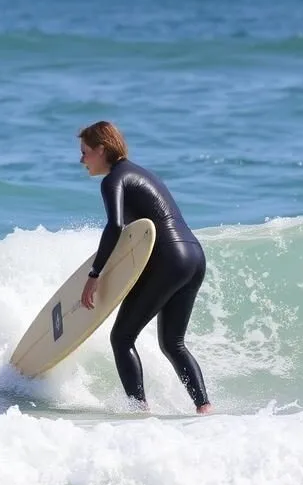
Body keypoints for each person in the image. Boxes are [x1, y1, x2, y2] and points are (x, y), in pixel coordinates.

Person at [77, 120, 212, 415]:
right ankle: (204, 408)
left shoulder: (113, 179)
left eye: (85, 151)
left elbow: (115, 227)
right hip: (193, 257)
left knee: (121, 338)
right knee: (173, 343)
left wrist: (94, 274)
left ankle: (138, 411)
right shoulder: (142, 173)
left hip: (169, 258)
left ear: (101, 149)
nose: (81, 159)